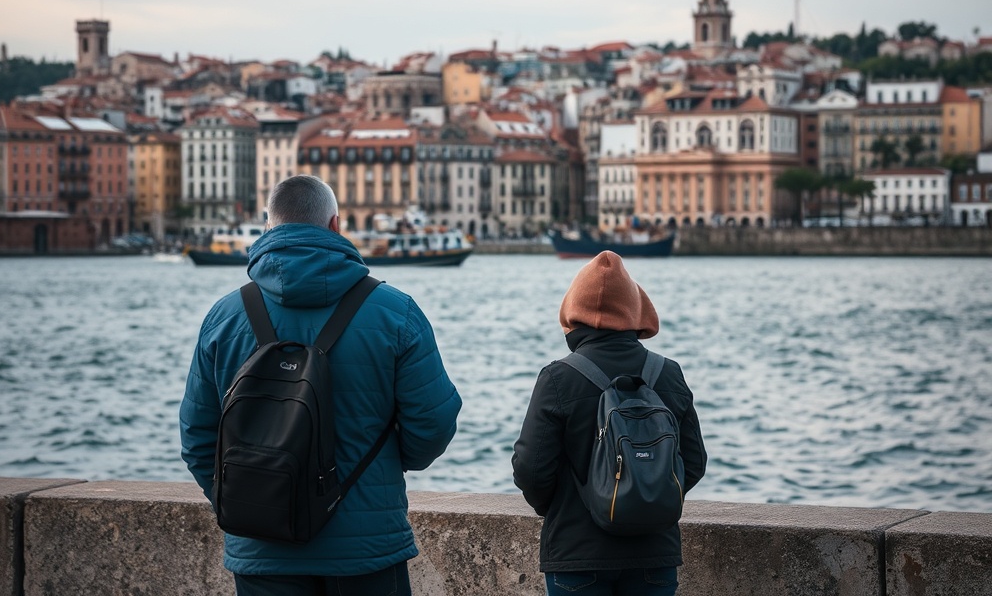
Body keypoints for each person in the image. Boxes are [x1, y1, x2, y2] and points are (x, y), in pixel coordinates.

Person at [180, 175, 461, 596]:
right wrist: (382, 466)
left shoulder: (223, 317)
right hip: (366, 546)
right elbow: (434, 423)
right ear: (335, 224)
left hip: (261, 548)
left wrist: (247, 496)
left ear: (267, 225)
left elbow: (197, 437)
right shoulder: (395, 312)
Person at [512, 251, 707, 596]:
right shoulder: (669, 373)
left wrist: (560, 509)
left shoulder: (558, 377)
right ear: (636, 311)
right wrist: (648, 499)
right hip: (654, 554)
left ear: (573, 313)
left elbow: (530, 468)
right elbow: (693, 462)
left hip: (577, 554)